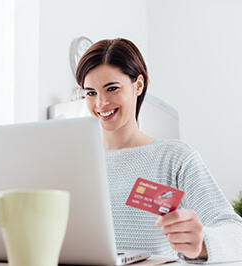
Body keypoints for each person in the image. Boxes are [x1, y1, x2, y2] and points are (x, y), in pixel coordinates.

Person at [75, 38, 242, 263]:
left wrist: (202, 243)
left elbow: (235, 232)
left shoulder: (174, 158)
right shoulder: (75, 162)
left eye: (112, 88)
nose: (101, 103)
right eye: (91, 93)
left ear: (139, 85)